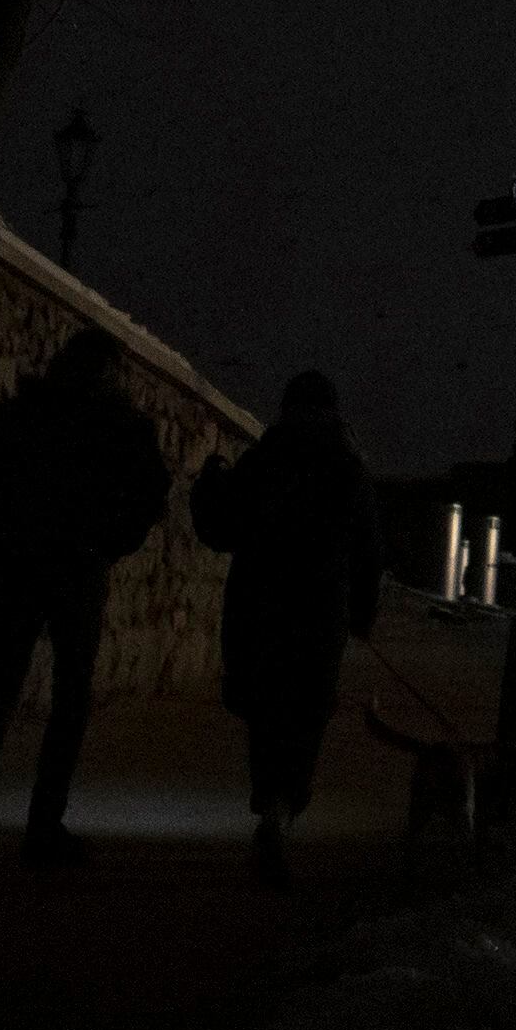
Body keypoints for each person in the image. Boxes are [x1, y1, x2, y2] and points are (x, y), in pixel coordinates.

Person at [0, 330, 174, 867]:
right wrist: (109, 542)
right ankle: (41, 827)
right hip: (76, 569)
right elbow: (153, 494)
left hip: (16, 563)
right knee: (69, 698)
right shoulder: (119, 427)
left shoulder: (20, 417)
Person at [189, 368, 384, 887]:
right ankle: (283, 808)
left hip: (261, 605)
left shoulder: (263, 463)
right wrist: (363, 614)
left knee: (267, 712)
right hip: (320, 612)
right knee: (307, 715)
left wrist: (211, 482)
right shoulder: (348, 469)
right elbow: (368, 553)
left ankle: (270, 805)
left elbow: (222, 529)